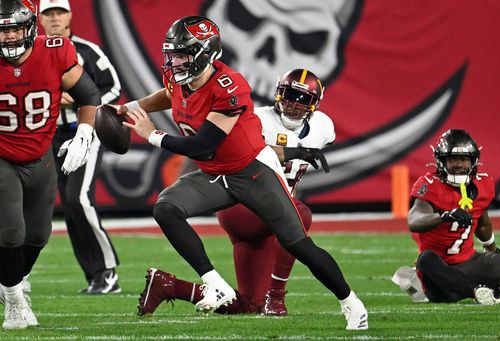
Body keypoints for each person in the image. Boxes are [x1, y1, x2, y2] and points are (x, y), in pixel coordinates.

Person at [116, 16, 367, 330]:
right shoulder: (180, 79)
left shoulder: (229, 86)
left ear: (204, 53)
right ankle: (214, 282)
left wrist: (152, 135)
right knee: (166, 208)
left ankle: (351, 303)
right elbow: (169, 95)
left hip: (252, 171)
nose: (174, 61)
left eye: (182, 54)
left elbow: (205, 146)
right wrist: (130, 106)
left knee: (297, 243)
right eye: (173, 54)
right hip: (215, 174)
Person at [130, 69, 334, 316]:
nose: (294, 104)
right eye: (290, 96)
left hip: (272, 210)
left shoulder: (323, 128)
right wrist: (187, 188)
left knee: (248, 305)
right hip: (243, 203)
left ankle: (167, 286)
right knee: (301, 214)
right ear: (278, 94)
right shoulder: (257, 119)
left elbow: (289, 178)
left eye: (303, 100)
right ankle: (276, 298)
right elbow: (218, 150)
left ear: (315, 104)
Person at [0, 0, 100, 329]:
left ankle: (10, 282)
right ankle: (15, 302)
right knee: (11, 231)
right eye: (3, 31)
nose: (10, 38)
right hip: (2, 155)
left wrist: (85, 133)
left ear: (30, 29)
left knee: (39, 234)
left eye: (15, 29)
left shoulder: (56, 50)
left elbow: (89, 95)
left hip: (41, 153)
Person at [39, 0, 122, 295]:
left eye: (59, 12)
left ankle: (106, 271)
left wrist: (77, 101)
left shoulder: (87, 51)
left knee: (79, 199)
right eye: (48, 13)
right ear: (39, 18)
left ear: (70, 15)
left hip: (82, 132)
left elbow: (112, 87)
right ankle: (94, 274)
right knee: (68, 205)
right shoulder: (32, 53)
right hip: (47, 135)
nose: (55, 18)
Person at [392, 129, 500, 304]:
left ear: (474, 161)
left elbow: (483, 221)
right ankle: (476, 291)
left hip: (468, 261)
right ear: (442, 161)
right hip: (440, 267)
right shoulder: (429, 185)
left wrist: (492, 250)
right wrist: (444, 216)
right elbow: (414, 220)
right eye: (452, 159)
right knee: (426, 260)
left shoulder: (483, 183)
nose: (459, 164)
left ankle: (475, 289)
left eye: (464, 159)